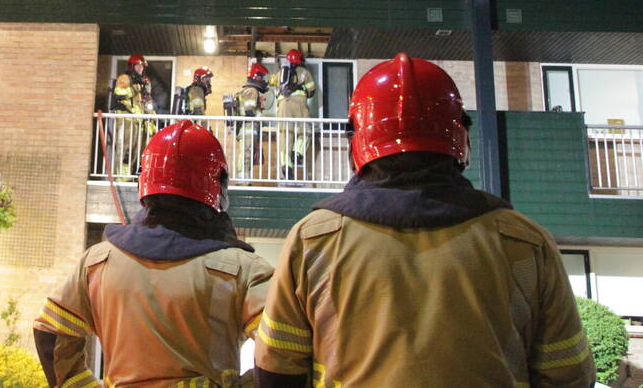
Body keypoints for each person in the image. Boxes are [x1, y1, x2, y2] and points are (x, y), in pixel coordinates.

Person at [255, 53, 595, 387]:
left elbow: (275, 370)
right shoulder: (524, 241)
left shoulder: (314, 240)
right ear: (460, 137)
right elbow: (569, 375)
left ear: (357, 140)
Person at [33, 120, 273, 386]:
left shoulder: (97, 261)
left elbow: (50, 332)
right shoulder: (243, 269)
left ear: (144, 181)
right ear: (218, 185)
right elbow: (283, 348)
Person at [270, 49, 315, 180]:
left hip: (283, 105)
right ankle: (298, 152)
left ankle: (286, 165)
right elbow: (312, 91)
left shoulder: (280, 74)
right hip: (299, 104)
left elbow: (271, 82)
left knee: (285, 135)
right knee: (305, 130)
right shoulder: (304, 72)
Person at [110, 54, 154, 175]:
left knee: (135, 151)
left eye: (142, 66)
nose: (141, 68)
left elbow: (145, 104)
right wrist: (136, 88)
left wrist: (151, 120)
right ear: (132, 66)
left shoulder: (141, 82)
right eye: (138, 65)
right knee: (125, 149)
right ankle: (121, 176)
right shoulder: (125, 78)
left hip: (137, 121)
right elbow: (120, 92)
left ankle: (129, 174)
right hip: (126, 119)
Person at [233, 63, 270, 179]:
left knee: (247, 155)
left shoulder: (249, 90)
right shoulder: (252, 90)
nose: (265, 80)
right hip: (248, 128)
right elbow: (249, 111)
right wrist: (260, 114)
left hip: (248, 129)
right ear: (257, 77)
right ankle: (243, 182)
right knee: (246, 155)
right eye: (263, 77)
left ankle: (244, 180)